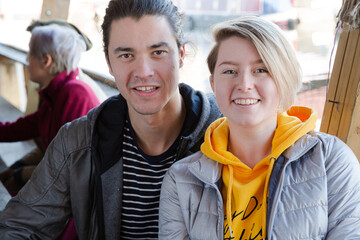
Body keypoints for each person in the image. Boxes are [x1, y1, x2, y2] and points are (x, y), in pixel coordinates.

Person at [0, 0, 222, 239]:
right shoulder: (79, 142)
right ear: (109, 63)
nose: (143, 71)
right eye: (127, 55)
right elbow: (19, 226)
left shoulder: (227, 133)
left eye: (158, 52)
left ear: (180, 55)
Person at [159, 16, 360, 239]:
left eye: (261, 70)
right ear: (214, 85)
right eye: (229, 71)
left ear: (284, 79)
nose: (244, 84)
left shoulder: (331, 161)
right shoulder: (182, 180)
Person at [0, 22, 100, 192]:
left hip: (81, 189)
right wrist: (18, 167)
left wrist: (21, 174)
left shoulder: (74, 94)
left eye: (30, 53)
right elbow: (22, 129)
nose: (26, 59)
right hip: (61, 172)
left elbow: (69, 165)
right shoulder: (55, 94)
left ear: (46, 61)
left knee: (12, 188)